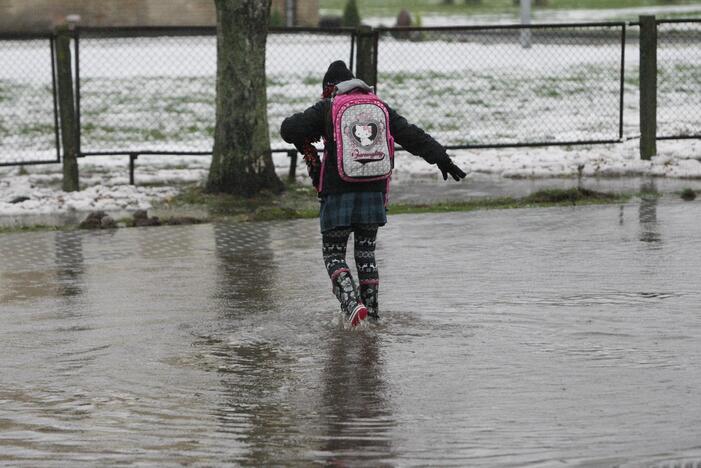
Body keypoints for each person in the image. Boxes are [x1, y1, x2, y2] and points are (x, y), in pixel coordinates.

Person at [280, 60, 466, 327]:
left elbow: (289, 130)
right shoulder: (379, 106)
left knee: (333, 254)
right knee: (366, 254)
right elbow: (410, 134)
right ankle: (373, 314)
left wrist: (304, 126)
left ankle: (352, 305)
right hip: (373, 191)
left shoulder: (328, 107)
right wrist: (441, 158)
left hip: (338, 192)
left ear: (329, 89)